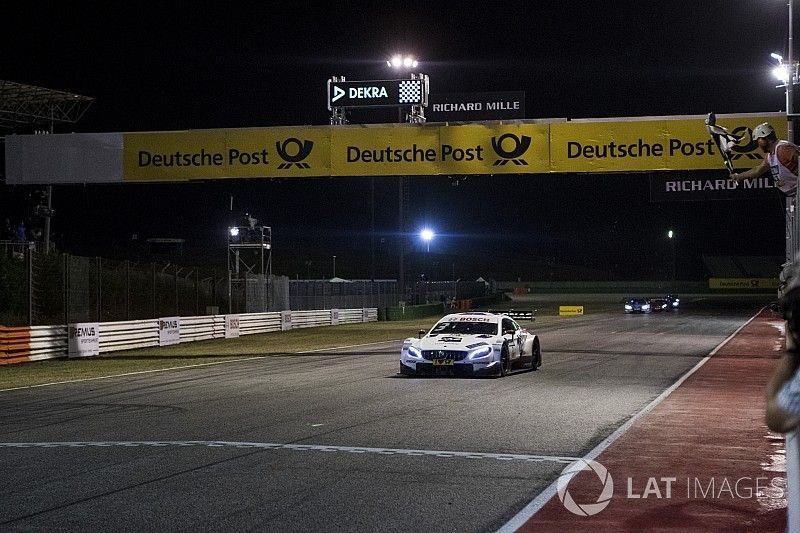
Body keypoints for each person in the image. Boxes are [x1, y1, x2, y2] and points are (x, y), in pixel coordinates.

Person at [730, 122, 798, 197]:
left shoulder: (783, 149)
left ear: (766, 138)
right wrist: (739, 176)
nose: (758, 144)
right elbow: (757, 171)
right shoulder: (770, 155)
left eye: (758, 140)